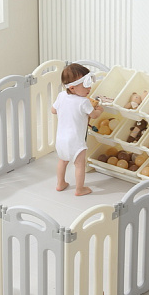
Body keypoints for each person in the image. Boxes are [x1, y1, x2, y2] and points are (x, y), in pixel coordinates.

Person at [51, 63, 103, 196]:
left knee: (62, 161)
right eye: (85, 85)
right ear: (72, 88)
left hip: (61, 140)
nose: (89, 88)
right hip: (76, 141)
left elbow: (53, 110)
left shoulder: (61, 96)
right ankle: (80, 189)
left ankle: (60, 183)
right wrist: (99, 109)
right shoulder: (84, 102)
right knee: (79, 165)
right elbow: (94, 115)